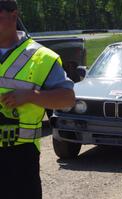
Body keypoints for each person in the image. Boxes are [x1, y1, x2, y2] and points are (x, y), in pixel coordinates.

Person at [0, 0, 75, 198]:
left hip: (18, 158)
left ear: (13, 15)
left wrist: (31, 96)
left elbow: (67, 98)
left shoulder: (41, 58)